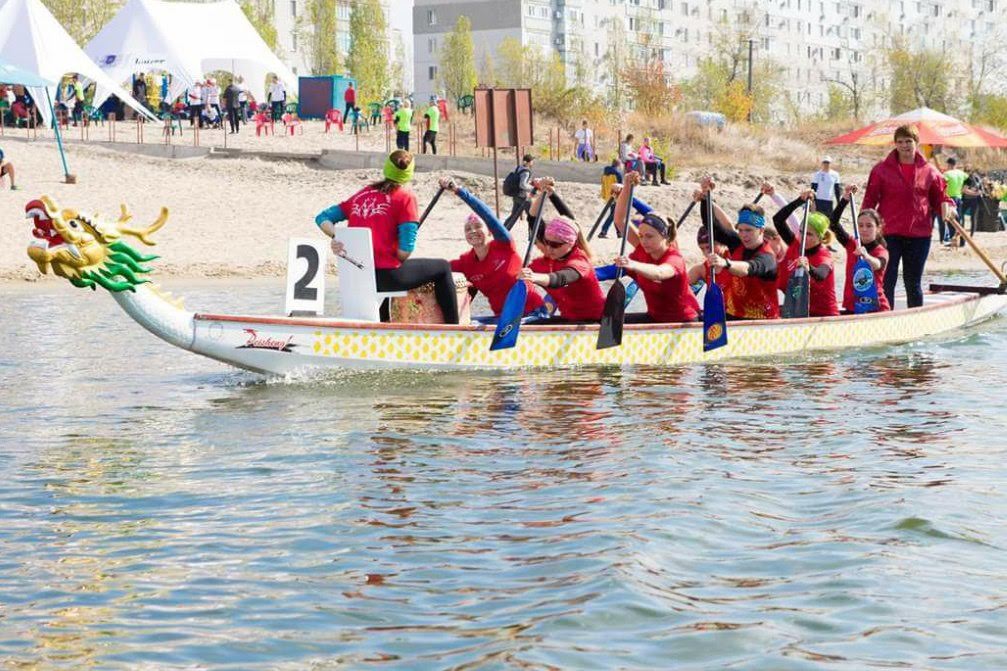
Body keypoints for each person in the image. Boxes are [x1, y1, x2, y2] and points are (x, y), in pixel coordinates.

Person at [315, 149, 460, 324]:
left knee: (389, 272)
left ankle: (383, 323)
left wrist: (339, 237)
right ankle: (454, 329)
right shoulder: (406, 197)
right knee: (443, 268)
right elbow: (404, 252)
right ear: (409, 173)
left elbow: (322, 218)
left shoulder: (362, 194)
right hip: (387, 277)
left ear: (387, 168)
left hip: (357, 277)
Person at [861, 124, 955, 309]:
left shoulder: (931, 172)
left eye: (908, 141)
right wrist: (864, 230)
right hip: (888, 234)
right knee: (887, 280)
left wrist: (950, 207)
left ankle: (916, 321)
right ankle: (885, 318)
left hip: (920, 235)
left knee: (913, 283)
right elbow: (869, 202)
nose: (904, 145)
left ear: (916, 142)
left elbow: (941, 199)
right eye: (900, 142)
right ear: (895, 143)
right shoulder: (880, 170)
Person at [440, 178, 544, 317]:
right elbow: (437, 269)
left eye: (478, 226)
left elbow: (487, 215)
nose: (473, 231)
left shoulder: (504, 245)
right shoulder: (465, 263)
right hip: (502, 320)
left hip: (531, 313)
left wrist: (459, 191)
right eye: (468, 229)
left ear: (489, 231)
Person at [609, 172, 700, 322]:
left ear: (665, 237)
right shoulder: (642, 249)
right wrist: (627, 186)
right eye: (641, 236)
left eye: (650, 236)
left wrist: (632, 264)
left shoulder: (674, 258)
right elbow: (620, 220)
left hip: (684, 323)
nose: (643, 241)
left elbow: (659, 273)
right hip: (655, 318)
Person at [516, 179, 606, 322]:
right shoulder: (547, 259)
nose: (549, 248)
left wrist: (532, 277)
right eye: (547, 243)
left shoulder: (579, 261)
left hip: (595, 323)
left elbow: (560, 279)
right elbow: (533, 218)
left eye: (556, 245)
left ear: (572, 243)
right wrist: (545, 192)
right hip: (568, 320)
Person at [700, 178, 780, 320]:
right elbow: (712, 226)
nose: (743, 235)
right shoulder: (737, 242)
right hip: (733, 315)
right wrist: (706, 197)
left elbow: (749, 268)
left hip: (762, 321)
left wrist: (726, 263)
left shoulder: (768, 257)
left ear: (761, 230)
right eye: (741, 230)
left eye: (749, 230)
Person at [772, 189, 840, 317]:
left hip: (823, 315)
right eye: (802, 231)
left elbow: (821, 274)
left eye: (809, 234)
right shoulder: (795, 244)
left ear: (820, 238)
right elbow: (778, 220)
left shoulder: (824, 255)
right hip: (797, 310)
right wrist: (799, 201)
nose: (803, 237)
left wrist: (809, 268)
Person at [829, 184, 891, 313]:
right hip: (852, 306)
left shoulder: (881, 251)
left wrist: (866, 256)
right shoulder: (852, 244)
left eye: (869, 226)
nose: (864, 229)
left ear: (878, 228)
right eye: (861, 225)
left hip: (876, 308)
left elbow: (878, 264)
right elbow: (833, 222)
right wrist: (845, 199)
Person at [503, 154, 535, 234]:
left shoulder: (519, 168)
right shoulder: (526, 172)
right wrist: (532, 188)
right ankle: (532, 235)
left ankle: (502, 230)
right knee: (532, 215)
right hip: (523, 196)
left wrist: (530, 183)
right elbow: (522, 184)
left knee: (514, 215)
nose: (532, 163)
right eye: (532, 161)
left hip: (516, 195)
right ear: (528, 162)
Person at [941, 157, 968, 245]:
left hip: (950, 199)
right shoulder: (962, 173)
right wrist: (963, 189)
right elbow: (970, 181)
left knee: (951, 220)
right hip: (959, 198)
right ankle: (962, 241)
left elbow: (942, 185)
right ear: (955, 164)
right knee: (959, 220)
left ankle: (953, 240)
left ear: (949, 164)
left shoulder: (946, 174)